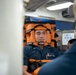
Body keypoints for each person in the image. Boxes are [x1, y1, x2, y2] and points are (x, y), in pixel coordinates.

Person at [37, 1, 76, 75]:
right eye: (38, 33)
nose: (41, 36)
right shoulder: (27, 50)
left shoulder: (48, 69)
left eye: (43, 33)